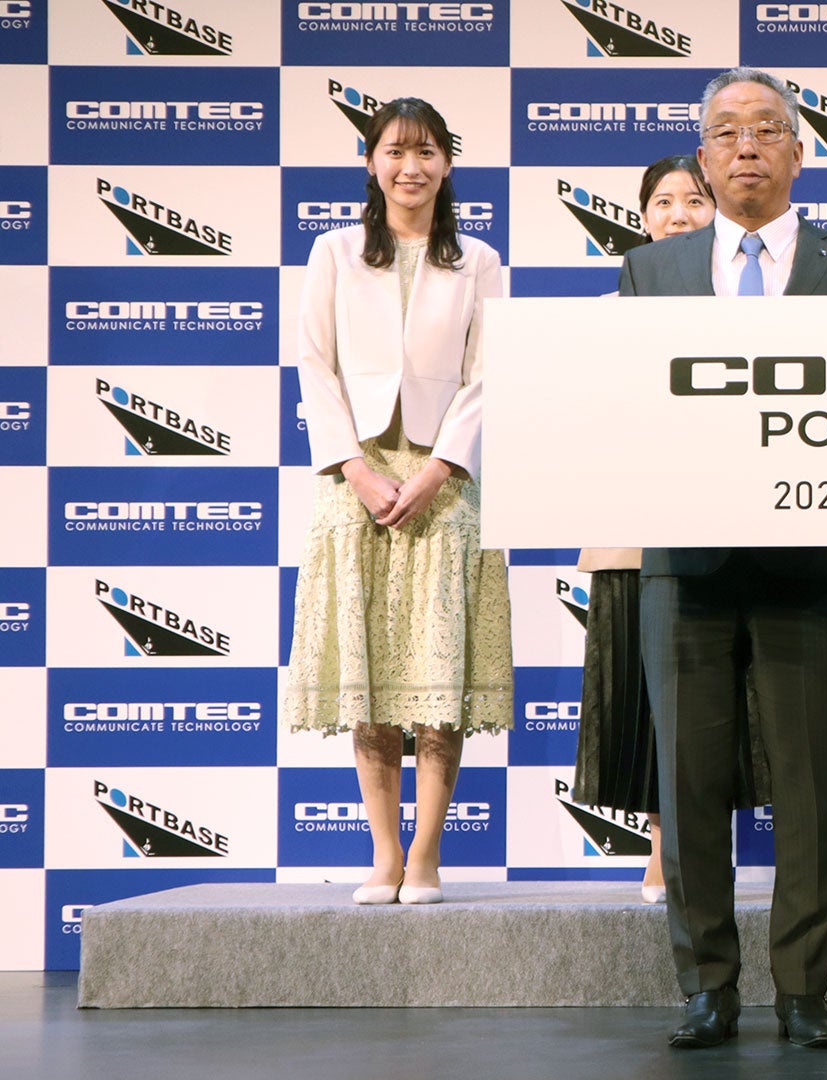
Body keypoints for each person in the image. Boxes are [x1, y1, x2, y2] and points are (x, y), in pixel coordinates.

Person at [615, 67, 827, 1051]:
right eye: (727, 131)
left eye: (767, 129)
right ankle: (707, 987)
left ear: (798, 153)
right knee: (688, 787)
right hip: (683, 567)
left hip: (810, 571)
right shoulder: (650, 273)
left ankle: (804, 991)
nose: (746, 146)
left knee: (809, 789)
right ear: (703, 156)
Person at [284, 97, 511, 907]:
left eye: (426, 152)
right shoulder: (334, 251)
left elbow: (488, 372)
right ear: (371, 163)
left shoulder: (477, 259)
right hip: (356, 478)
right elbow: (313, 364)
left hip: (444, 482)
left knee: (437, 677)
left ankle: (425, 856)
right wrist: (354, 468)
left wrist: (439, 468)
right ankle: (383, 853)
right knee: (369, 671)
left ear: (447, 165)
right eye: (395, 151)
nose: (410, 167)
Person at [571, 155, 731, 907]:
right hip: (635, 529)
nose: (678, 214)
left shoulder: (745, 302)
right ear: (641, 219)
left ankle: (697, 848)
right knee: (650, 697)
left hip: (725, 527)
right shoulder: (608, 312)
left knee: (713, 699)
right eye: (663, 202)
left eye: (694, 200)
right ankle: (665, 847)